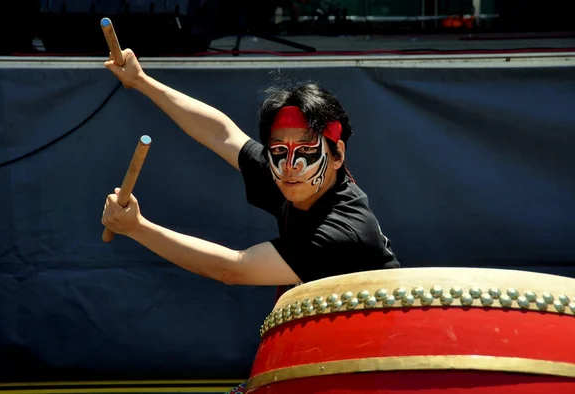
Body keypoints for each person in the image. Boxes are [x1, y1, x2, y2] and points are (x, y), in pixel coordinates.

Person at [101, 49, 400, 392]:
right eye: (278, 150)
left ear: (337, 155)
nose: (290, 164)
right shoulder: (291, 176)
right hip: (330, 353)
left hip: (377, 367)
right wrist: (141, 81)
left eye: (305, 150)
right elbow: (222, 134)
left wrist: (137, 228)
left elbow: (234, 269)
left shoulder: (341, 233)